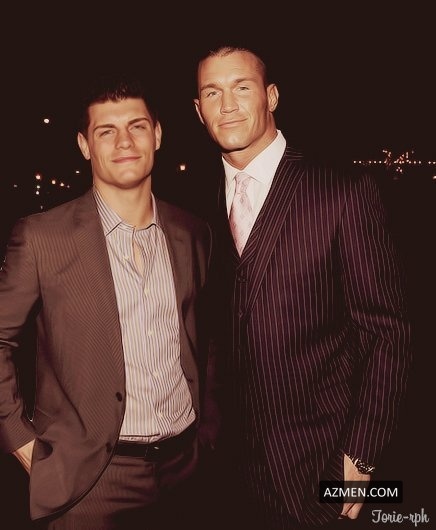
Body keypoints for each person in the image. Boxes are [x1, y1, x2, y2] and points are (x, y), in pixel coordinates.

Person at [193, 46, 412, 529]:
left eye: (241, 87)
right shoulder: (194, 205)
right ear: (198, 109)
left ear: (271, 96)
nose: (227, 105)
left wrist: (362, 455)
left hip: (325, 471)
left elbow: (387, 333)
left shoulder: (342, 191)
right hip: (225, 480)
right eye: (212, 92)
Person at [0, 74, 215, 529]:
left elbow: (207, 338)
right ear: (85, 145)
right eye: (106, 131)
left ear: (157, 135)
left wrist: (209, 429)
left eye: (137, 126)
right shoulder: (41, 238)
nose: (124, 142)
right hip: (91, 483)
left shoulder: (193, 232)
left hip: (188, 470)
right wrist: (22, 442)